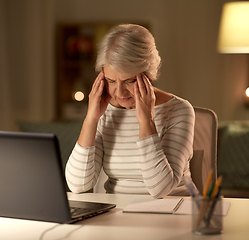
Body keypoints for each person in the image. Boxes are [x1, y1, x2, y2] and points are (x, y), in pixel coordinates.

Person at [65, 24, 195, 198]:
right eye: (111, 81)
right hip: (118, 213)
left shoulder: (179, 110)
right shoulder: (105, 112)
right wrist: (91, 119)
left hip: (172, 212)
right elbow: (78, 185)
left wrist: (146, 121)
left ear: (148, 74)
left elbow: (160, 189)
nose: (119, 92)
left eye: (129, 81)